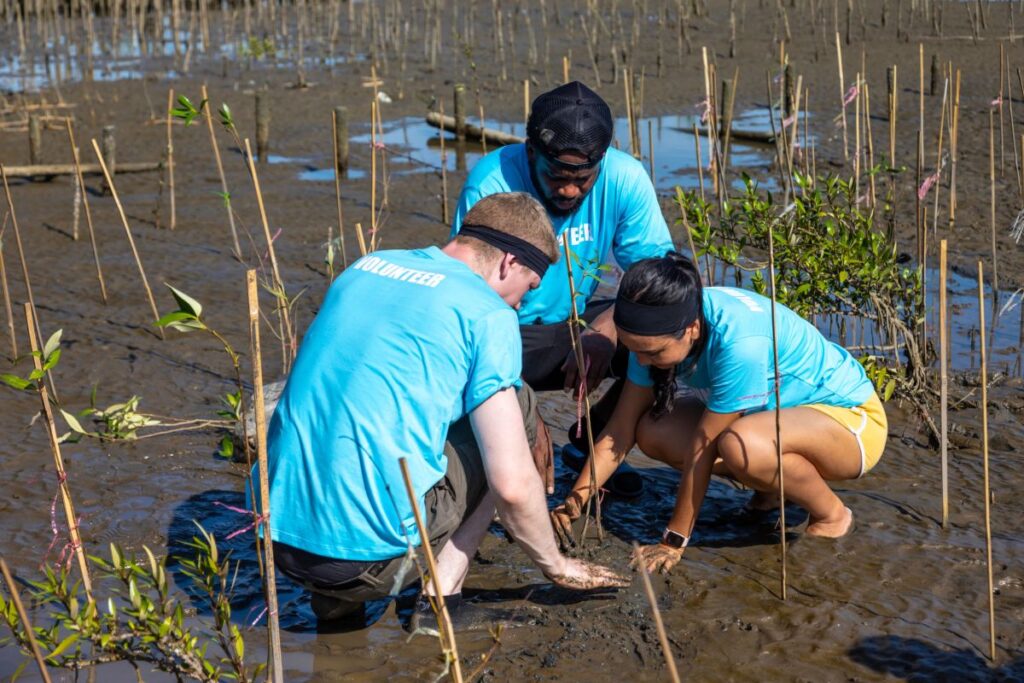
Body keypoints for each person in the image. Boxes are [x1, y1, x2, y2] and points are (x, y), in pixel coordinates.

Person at [254, 192, 627, 631]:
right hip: (367, 563)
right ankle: (440, 604)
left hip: (277, 542)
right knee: (519, 403)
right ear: (508, 262)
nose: (521, 305)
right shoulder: (488, 314)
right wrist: (557, 565)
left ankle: (335, 606)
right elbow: (510, 485)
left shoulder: (365, 268)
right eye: (528, 287)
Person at [551, 253, 888, 574]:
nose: (639, 362)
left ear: (692, 329)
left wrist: (674, 540)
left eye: (652, 352)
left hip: (850, 423)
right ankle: (770, 493)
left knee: (741, 445)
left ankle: (831, 515)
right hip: (776, 422)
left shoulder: (738, 341)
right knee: (654, 430)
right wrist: (577, 499)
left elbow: (703, 446)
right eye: (633, 348)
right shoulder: (658, 332)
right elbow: (619, 429)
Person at [452, 81, 673, 447]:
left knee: (667, 334)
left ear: (602, 161)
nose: (569, 191)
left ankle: (597, 445)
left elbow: (660, 278)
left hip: (576, 325)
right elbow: (472, 309)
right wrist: (524, 415)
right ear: (530, 153)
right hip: (507, 334)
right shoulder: (493, 182)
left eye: (582, 180)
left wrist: (608, 327)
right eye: (556, 177)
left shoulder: (625, 177)